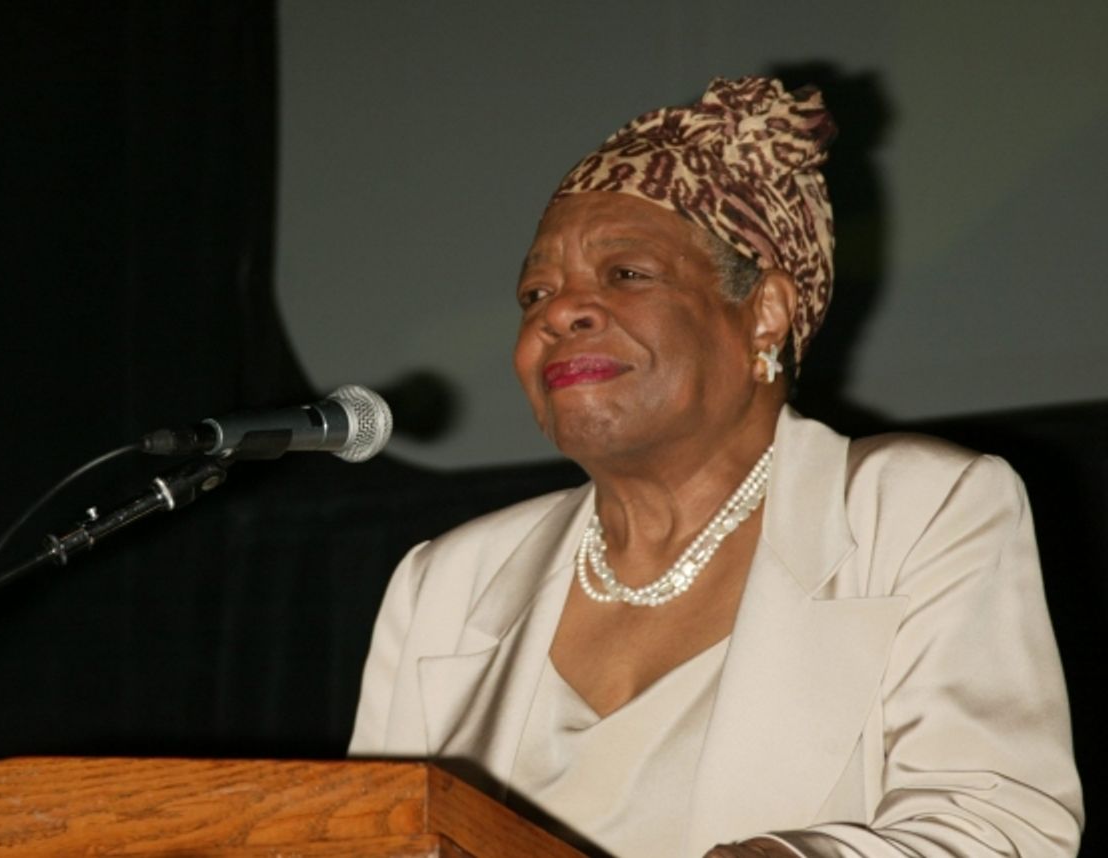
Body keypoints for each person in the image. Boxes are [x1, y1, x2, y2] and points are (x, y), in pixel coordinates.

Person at [349, 77, 1083, 857]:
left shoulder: (915, 510)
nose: (558, 312)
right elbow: (363, 839)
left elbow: (997, 827)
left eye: (626, 274)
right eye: (535, 293)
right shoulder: (446, 585)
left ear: (765, 312)